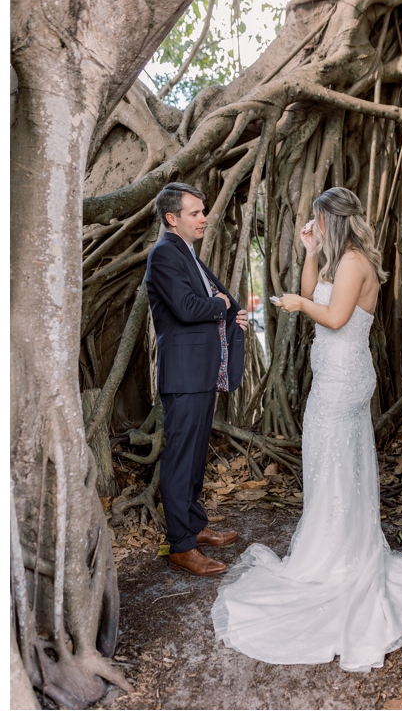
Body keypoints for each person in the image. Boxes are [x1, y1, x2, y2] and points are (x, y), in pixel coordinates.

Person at [210, 187, 402, 672]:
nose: (313, 225)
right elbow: (317, 288)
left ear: (332, 219)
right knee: (329, 462)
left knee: (333, 460)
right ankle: (338, 540)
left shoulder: (356, 262)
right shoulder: (340, 260)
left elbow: (334, 318)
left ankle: (337, 556)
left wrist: (297, 304)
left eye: (318, 221)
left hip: (342, 380)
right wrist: (309, 254)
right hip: (334, 376)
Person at [143, 182, 249, 577]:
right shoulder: (164, 255)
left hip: (202, 372)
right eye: (195, 213)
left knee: (194, 455)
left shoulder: (187, 253)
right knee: (179, 459)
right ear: (172, 218)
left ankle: (195, 526)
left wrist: (228, 313)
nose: (204, 218)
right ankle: (180, 546)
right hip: (185, 375)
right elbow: (189, 308)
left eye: (203, 211)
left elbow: (212, 302)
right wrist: (220, 305)